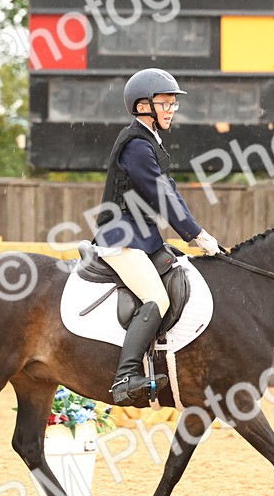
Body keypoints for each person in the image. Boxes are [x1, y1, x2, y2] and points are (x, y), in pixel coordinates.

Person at [93, 68, 220, 406]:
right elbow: (161, 195)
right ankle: (125, 377)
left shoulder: (150, 142)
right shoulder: (136, 145)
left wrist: (197, 232)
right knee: (157, 298)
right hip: (120, 238)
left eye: (172, 104)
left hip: (142, 236)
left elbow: (170, 192)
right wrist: (196, 234)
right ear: (142, 106)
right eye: (165, 103)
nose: (171, 109)